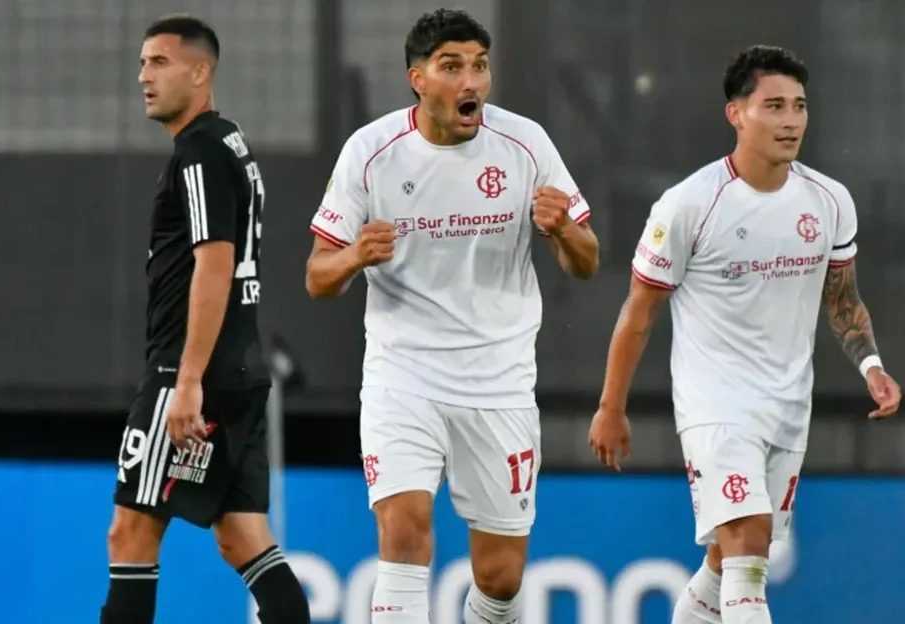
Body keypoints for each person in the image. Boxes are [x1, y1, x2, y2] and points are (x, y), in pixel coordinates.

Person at [588, 45, 902, 624]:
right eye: (774, 105)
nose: (791, 120)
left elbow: (843, 300)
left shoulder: (829, 201)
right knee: (750, 546)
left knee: (723, 560)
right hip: (715, 404)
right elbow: (639, 313)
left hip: (787, 405)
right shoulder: (689, 205)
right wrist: (612, 406)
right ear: (736, 113)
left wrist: (871, 366)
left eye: (800, 106)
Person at [305, 9, 599, 623]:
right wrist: (355, 255)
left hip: (499, 381)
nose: (471, 82)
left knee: (500, 577)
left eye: (480, 66)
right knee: (405, 536)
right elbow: (317, 276)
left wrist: (563, 230)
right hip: (402, 374)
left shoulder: (525, 145)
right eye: (452, 67)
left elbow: (587, 263)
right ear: (418, 79)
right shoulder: (370, 152)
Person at [101, 15, 310, 624]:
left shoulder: (197, 153)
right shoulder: (230, 143)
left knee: (129, 536)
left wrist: (186, 380)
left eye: (160, 63)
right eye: (142, 63)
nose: (144, 76)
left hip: (190, 371)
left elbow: (214, 265)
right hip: (240, 368)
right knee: (243, 537)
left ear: (201, 71)